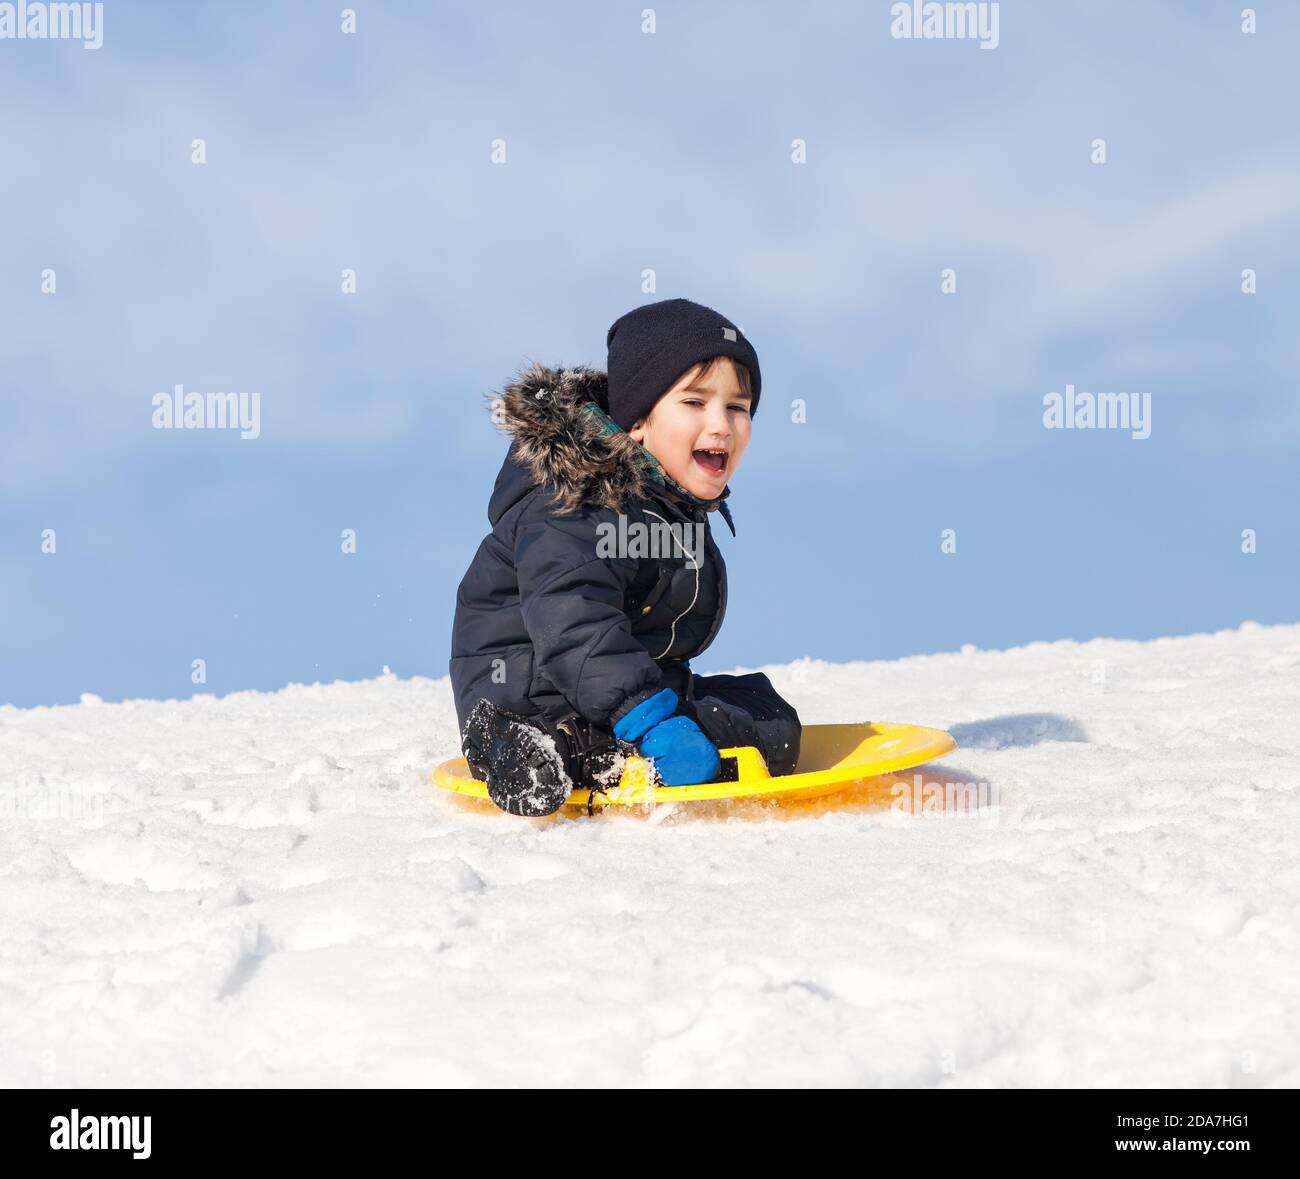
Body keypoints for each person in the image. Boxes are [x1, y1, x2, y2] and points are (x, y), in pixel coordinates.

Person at [449, 297, 801, 816]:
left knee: (767, 717)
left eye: (737, 407)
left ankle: (646, 753)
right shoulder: (577, 503)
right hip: (530, 690)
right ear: (638, 422)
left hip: (610, 693)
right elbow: (575, 622)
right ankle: (522, 750)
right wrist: (648, 718)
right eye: (695, 403)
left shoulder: (667, 510)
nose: (721, 424)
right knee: (584, 740)